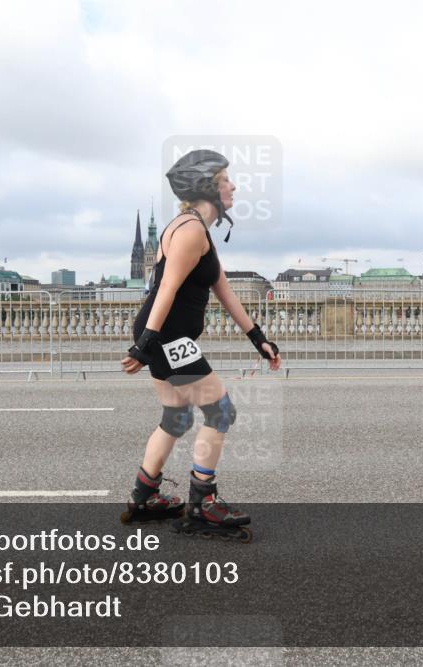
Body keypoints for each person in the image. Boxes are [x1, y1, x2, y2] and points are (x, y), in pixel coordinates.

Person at [120, 149, 282, 540]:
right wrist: (146, 345)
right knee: (220, 411)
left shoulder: (193, 228)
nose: (234, 186)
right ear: (207, 187)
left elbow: (223, 291)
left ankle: (145, 497)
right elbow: (168, 289)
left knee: (175, 418)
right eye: (226, 180)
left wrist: (257, 337)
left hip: (164, 335)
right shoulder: (190, 231)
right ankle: (202, 504)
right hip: (169, 337)